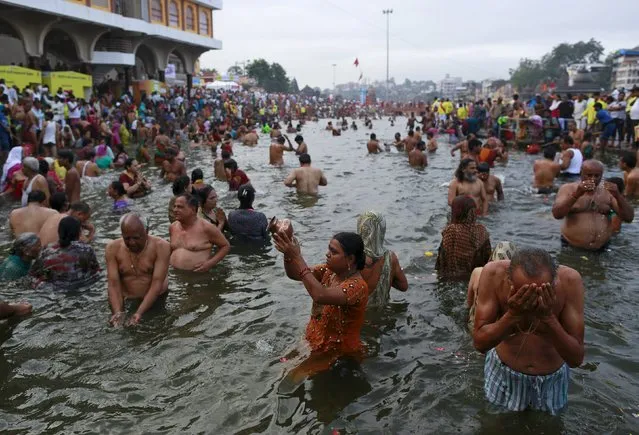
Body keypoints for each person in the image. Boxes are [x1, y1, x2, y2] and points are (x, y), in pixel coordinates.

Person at [472, 248, 584, 415]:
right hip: (503, 373)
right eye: (524, 292)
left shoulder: (569, 281)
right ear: (509, 280)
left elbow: (576, 358)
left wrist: (549, 318)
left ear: (554, 282)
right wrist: (512, 315)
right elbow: (480, 343)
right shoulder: (494, 274)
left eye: (539, 292)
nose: (532, 300)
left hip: (552, 380)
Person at [273, 230, 368, 388]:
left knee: (289, 381)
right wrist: (288, 254)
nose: (327, 254)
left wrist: (297, 256)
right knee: (280, 369)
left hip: (337, 353)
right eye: (328, 249)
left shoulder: (357, 287)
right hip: (313, 342)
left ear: (350, 259)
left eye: (333, 251)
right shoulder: (328, 271)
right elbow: (295, 274)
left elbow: (320, 295)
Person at [552, 160, 634, 251]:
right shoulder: (567, 189)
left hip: (602, 248)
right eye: (589, 175)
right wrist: (577, 194)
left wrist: (618, 196)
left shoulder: (607, 192)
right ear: (581, 173)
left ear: (602, 175)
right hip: (572, 248)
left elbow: (629, 218)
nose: (593, 179)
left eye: (597, 176)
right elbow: (557, 214)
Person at [106, 212, 170, 326]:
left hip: (157, 299)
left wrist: (139, 313)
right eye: (127, 238)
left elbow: (157, 283)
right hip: (127, 299)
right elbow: (113, 283)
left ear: (146, 231)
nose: (132, 242)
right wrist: (118, 312)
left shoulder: (161, 246)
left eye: (136, 238)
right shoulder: (112, 248)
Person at [356, 211, 407, 308]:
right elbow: (403, 286)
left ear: (361, 229)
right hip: (382, 314)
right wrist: (387, 275)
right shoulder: (390, 257)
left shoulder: (352, 257)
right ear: (382, 230)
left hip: (359, 318)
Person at [31, 216, 99, 286]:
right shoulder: (87, 249)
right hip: (81, 287)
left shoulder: (47, 250)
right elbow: (96, 271)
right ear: (78, 232)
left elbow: (34, 274)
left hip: (54, 290)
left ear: (59, 231)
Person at [169, 193, 230, 272]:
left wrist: (210, 263)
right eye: (175, 206)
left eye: (180, 207)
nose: (175, 210)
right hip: (176, 276)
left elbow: (225, 246)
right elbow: (172, 249)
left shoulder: (207, 227)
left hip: (199, 277)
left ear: (193, 209)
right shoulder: (173, 227)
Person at [436, 195, 491, 279]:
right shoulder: (481, 230)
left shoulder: (451, 230)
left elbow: (442, 260)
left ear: (456, 212)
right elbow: (487, 258)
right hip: (475, 277)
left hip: (450, 278)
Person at [466, 241, 516, 331]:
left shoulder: (478, 272)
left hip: (477, 326)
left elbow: (469, 303)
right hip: (501, 330)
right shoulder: (516, 282)